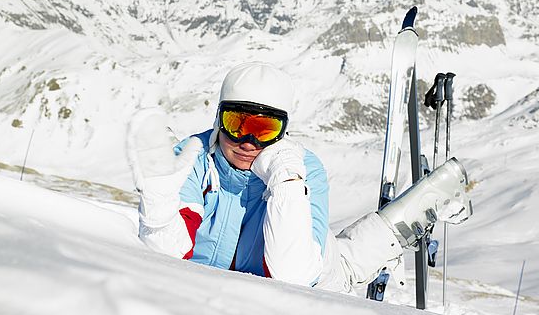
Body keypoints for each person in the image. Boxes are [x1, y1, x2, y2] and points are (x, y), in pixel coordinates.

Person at [130, 62, 472, 293]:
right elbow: (166, 255)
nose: (248, 142)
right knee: (341, 254)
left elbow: (293, 276)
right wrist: (158, 208)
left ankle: (399, 226)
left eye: (265, 129)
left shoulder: (302, 169)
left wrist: (287, 182)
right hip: (213, 297)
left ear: (283, 132)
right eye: (237, 124)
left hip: (309, 272)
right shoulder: (190, 159)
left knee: (345, 266)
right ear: (219, 120)